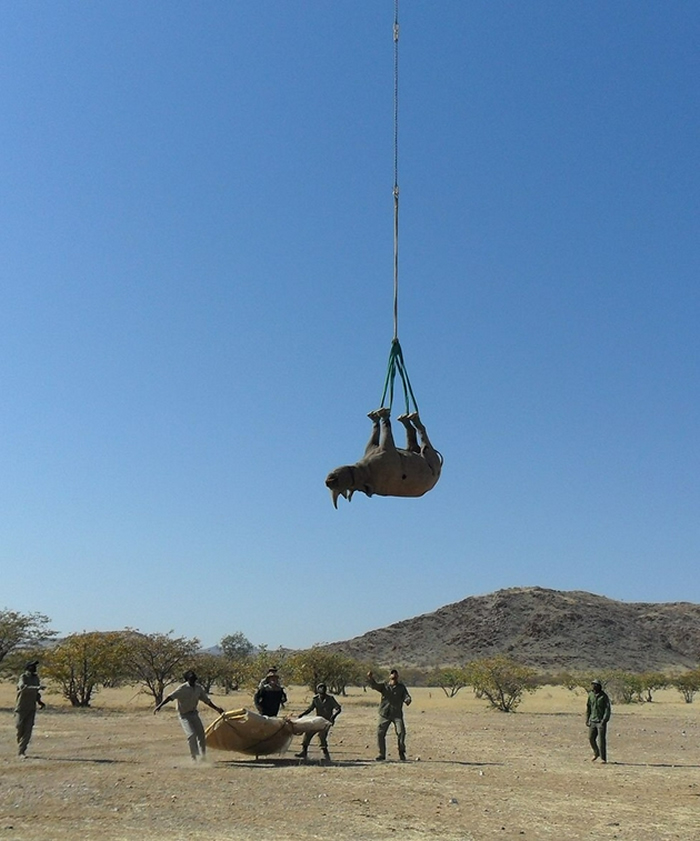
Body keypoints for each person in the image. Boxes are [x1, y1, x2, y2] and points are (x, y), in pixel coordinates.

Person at [153, 670, 224, 761]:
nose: (193, 681)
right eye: (191, 679)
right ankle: (194, 757)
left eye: (194, 679)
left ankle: (203, 756)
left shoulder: (198, 688)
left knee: (201, 735)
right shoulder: (182, 688)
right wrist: (159, 706)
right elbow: (170, 697)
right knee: (191, 735)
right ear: (187, 679)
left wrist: (217, 709)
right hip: (184, 715)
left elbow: (206, 701)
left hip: (194, 713)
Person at [366, 669, 412, 761]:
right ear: (389, 676)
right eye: (392, 674)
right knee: (380, 733)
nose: (394, 676)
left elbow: (406, 696)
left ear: (398, 676)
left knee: (401, 732)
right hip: (384, 713)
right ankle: (381, 754)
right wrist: (370, 678)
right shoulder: (384, 686)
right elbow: (375, 686)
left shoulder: (401, 687)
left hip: (397, 714)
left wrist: (408, 700)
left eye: (395, 674)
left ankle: (401, 752)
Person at [294, 683, 342, 761]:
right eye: (320, 688)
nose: (322, 689)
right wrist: (302, 715)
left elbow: (338, 709)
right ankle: (304, 751)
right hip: (318, 720)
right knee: (308, 733)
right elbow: (310, 709)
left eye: (323, 688)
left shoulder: (330, 699)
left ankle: (325, 755)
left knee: (322, 736)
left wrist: (333, 717)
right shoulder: (315, 699)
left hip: (326, 721)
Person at [15, 660, 46, 758]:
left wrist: (39, 701)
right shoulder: (23, 677)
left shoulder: (36, 678)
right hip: (21, 707)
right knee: (19, 727)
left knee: (28, 730)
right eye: (32, 666)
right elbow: (23, 687)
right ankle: (20, 742)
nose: (34, 668)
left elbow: (36, 693)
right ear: (28, 667)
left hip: (31, 708)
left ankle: (22, 751)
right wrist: (37, 687)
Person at [586, 678, 612, 763]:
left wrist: (604, 720)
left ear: (599, 686)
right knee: (591, 738)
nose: (593, 686)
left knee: (601, 740)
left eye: (595, 685)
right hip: (592, 720)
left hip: (601, 721)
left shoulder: (604, 696)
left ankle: (603, 758)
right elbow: (588, 708)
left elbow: (607, 709)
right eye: (593, 684)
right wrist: (587, 719)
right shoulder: (590, 695)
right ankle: (596, 752)